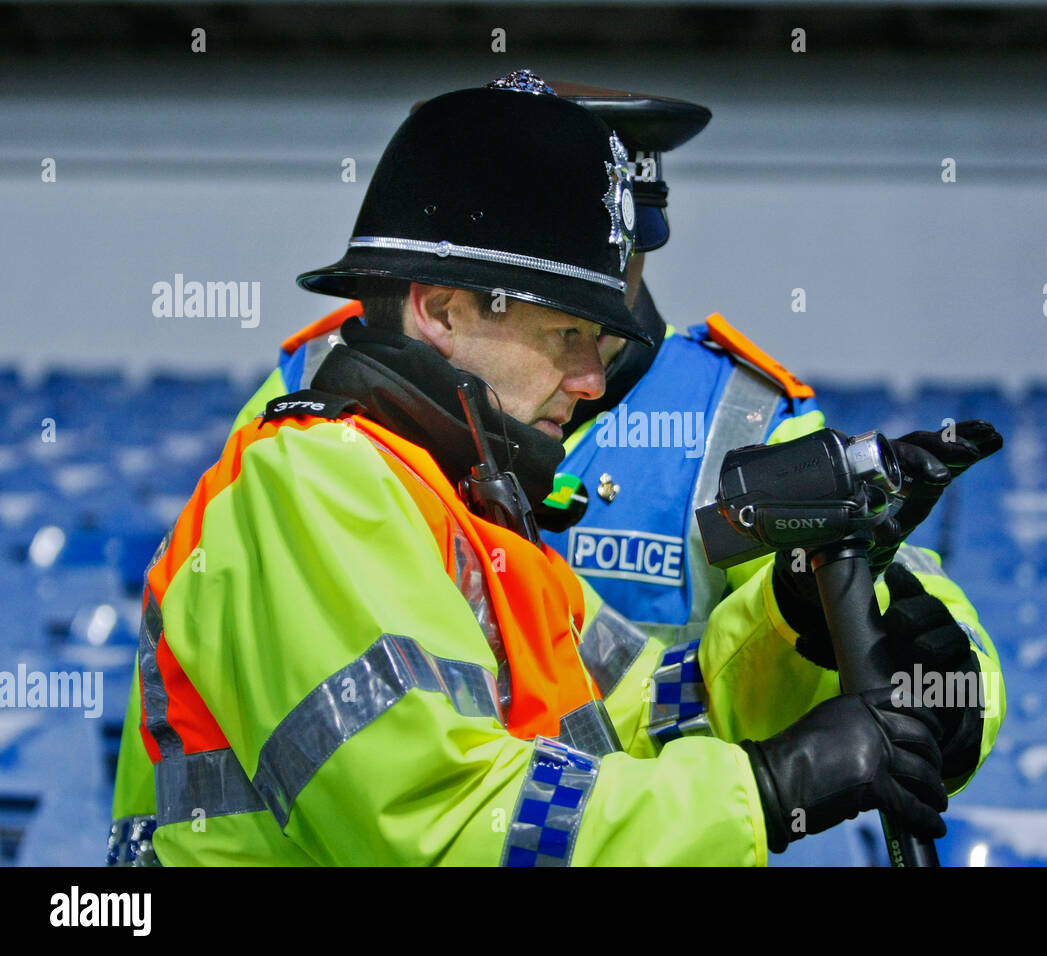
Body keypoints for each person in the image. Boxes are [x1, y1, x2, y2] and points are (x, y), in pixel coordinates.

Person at [115, 78, 957, 866]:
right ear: (440, 310)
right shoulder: (311, 484)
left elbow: (641, 716)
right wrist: (768, 790)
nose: (594, 381)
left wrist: (794, 623)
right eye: (567, 337)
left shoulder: (471, 515)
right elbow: (442, 826)